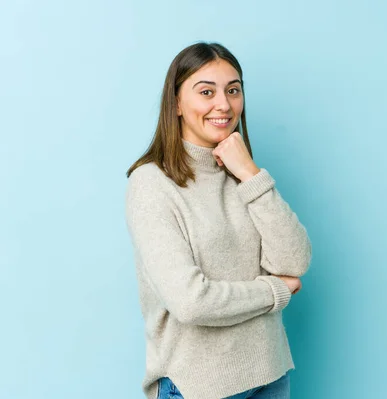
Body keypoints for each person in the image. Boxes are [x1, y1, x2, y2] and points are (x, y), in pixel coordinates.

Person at [124, 41, 312, 399]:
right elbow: (191, 301)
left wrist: (250, 173)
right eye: (206, 91)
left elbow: (294, 260)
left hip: (271, 373)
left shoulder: (243, 175)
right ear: (177, 103)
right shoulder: (151, 184)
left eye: (233, 90)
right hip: (201, 386)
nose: (223, 105)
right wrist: (274, 290)